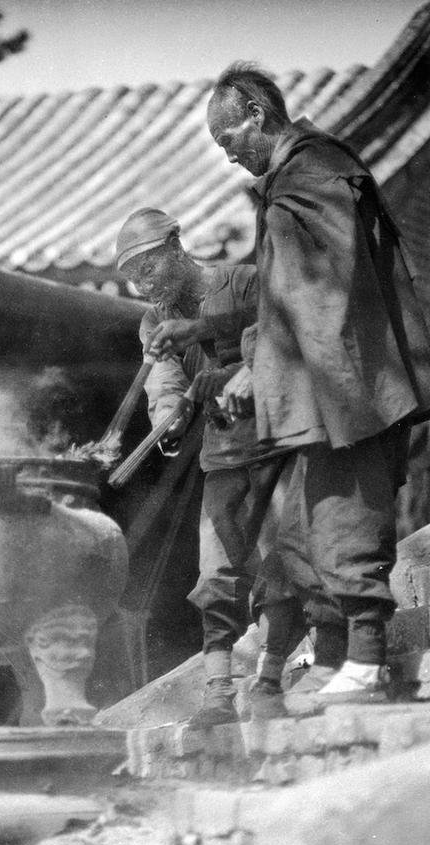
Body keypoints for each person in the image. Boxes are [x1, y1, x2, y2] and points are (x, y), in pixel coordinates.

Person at [151, 63, 430, 710]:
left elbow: (322, 297)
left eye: (230, 141)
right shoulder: (298, 182)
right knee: (314, 525)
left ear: (257, 115)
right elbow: (285, 299)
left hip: (346, 386)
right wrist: (203, 330)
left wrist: (257, 366)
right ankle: (344, 657)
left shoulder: (312, 176)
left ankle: (365, 658)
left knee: (342, 514)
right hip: (331, 386)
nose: (231, 158)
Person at [115, 208, 299, 725]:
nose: (144, 285)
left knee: (282, 563)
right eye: (133, 277)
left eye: (149, 268)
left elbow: (283, 336)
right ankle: (218, 694)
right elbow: (163, 379)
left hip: (277, 442)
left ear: (176, 245)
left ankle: (269, 681)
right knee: (216, 573)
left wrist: (246, 373)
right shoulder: (154, 321)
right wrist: (168, 419)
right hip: (222, 454)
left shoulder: (243, 282)